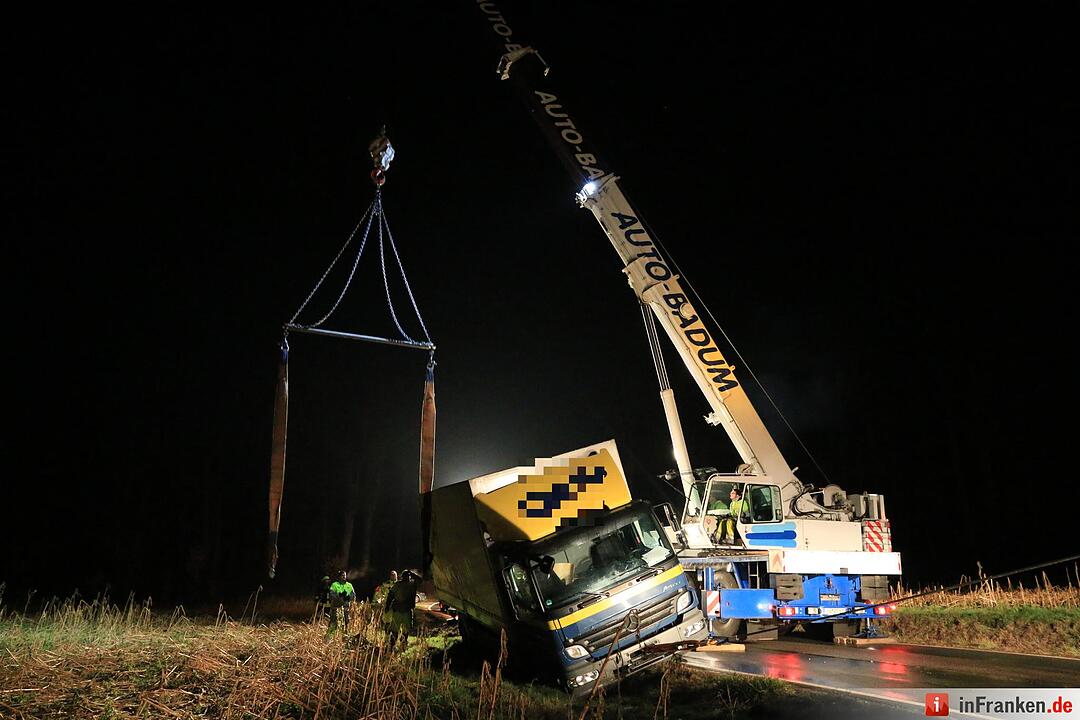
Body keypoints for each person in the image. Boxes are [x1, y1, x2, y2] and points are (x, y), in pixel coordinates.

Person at [383, 569, 419, 648]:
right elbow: (390, 595)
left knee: (403, 630)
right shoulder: (401, 584)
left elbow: (390, 596)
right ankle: (393, 645)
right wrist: (387, 606)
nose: (407, 578)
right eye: (407, 576)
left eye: (408, 576)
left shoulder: (411, 584)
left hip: (404, 610)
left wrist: (388, 606)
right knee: (396, 630)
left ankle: (400, 644)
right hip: (400, 610)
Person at [327, 570, 356, 637]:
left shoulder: (349, 585)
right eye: (342, 575)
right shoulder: (334, 585)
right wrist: (340, 598)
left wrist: (347, 598)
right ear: (339, 576)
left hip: (346, 609)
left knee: (346, 625)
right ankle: (328, 638)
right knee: (333, 624)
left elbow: (353, 596)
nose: (344, 577)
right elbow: (332, 595)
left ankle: (344, 639)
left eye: (345, 575)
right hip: (336, 608)